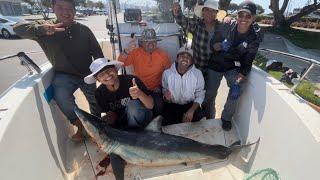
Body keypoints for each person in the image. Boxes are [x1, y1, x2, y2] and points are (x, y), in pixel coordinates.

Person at [13, 0, 104, 140]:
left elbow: (97, 52)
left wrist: (100, 73)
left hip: (87, 73)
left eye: (69, 8)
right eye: (60, 7)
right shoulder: (44, 29)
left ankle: (96, 127)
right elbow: (17, 28)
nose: (65, 12)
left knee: (95, 100)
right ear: (53, 8)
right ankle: (80, 126)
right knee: (61, 96)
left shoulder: (84, 30)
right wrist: (42, 29)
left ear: (74, 10)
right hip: (64, 74)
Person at [203, 1, 263, 131]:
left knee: (237, 89)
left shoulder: (254, 38)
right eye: (241, 15)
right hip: (216, 63)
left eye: (248, 16)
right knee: (210, 93)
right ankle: (208, 115)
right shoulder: (226, 25)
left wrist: (238, 81)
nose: (244, 19)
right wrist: (220, 45)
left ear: (253, 18)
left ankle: (226, 118)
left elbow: (247, 62)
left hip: (232, 66)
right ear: (237, 16)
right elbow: (212, 45)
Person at [84, 58, 154, 129]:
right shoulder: (99, 93)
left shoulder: (131, 80)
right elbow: (111, 114)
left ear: (115, 70)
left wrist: (140, 94)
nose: (107, 75)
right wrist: (103, 121)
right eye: (101, 75)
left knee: (133, 105)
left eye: (109, 70)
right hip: (122, 121)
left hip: (143, 119)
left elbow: (151, 105)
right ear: (98, 79)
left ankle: (135, 132)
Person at [118, 28, 171, 115]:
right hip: (139, 88)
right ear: (142, 43)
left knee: (159, 106)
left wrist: (162, 87)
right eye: (147, 41)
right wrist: (127, 50)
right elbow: (120, 63)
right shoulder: (135, 53)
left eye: (153, 41)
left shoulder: (163, 55)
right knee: (134, 109)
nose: (151, 44)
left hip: (156, 88)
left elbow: (168, 73)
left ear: (156, 42)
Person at [172, 0, 225, 72]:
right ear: (202, 12)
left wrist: (222, 46)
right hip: (199, 66)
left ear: (216, 13)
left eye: (213, 11)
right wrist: (177, 10)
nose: (210, 13)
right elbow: (182, 20)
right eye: (207, 10)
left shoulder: (222, 26)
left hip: (215, 69)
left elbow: (229, 41)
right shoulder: (196, 24)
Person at [162, 46, 205, 125]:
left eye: (188, 56)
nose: (185, 58)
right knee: (166, 128)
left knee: (200, 126)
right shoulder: (167, 73)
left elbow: (200, 94)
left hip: (191, 106)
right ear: (177, 59)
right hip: (173, 106)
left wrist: (191, 111)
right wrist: (166, 97)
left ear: (191, 61)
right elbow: (164, 89)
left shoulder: (197, 74)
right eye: (182, 56)